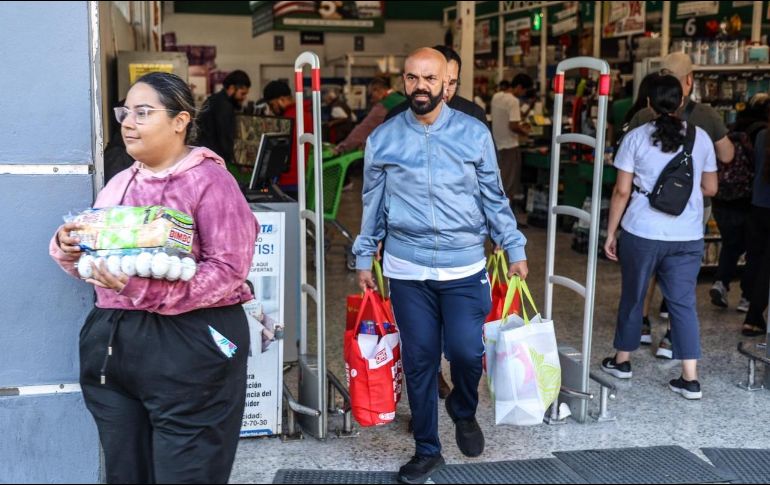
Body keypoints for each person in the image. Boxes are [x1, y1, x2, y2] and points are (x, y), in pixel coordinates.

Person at [50, 72, 258, 483]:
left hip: (189, 346)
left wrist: (140, 288)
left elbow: (229, 270)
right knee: (127, 473)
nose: (128, 122)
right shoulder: (120, 183)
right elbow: (96, 258)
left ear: (180, 121)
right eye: (125, 112)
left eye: (143, 113)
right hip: (115, 350)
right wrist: (69, 247)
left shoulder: (211, 182)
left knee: (187, 472)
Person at [353, 48, 527, 484]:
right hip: (406, 268)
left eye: (429, 79)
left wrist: (514, 244)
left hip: (464, 264)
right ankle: (428, 449)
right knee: (420, 360)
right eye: (412, 78)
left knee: (468, 353)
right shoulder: (385, 139)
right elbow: (372, 203)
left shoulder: (473, 134)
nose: (420, 87)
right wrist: (363, 253)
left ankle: (464, 410)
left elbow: (493, 196)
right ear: (404, 82)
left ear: (446, 82)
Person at [602, 74, 720, 400]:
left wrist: (612, 232)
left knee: (634, 296)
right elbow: (711, 188)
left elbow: (621, 190)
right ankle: (690, 378)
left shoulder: (636, 138)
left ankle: (622, 361)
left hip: (642, 231)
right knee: (682, 304)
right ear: (682, 101)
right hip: (688, 235)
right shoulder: (701, 138)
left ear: (649, 103)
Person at [385, 44, 488, 401]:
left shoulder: (473, 120)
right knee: (419, 346)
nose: (444, 89)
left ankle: (461, 399)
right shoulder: (396, 122)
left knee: (463, 343)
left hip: (461, 251)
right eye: (419, 78)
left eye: (450, 82)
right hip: (410, 255)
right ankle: (424, 416)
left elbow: (487, 186)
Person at [626, 52, 734, 358]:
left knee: (644, 272)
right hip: (690, 213)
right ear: (689, 80)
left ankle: (642, 327)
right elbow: (727, 156)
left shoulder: (641, 117)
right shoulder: (707, 117)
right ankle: (673, 338)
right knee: (681, 282)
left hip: (644, 217)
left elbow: (625, 177)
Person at [710, 93, 770, 312]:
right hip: (749, 199)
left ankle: (721, 282)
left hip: (724, 197)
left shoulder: (732, 128)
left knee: (731, 243)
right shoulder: (762, 133)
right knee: (756, 253)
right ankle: (748, 298)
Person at [385, 45, 487, 126]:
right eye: (432, 79)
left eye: (451, 83)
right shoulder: (395, 118)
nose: (445, 90)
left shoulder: (474, 115)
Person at [741, 118, 770, 336]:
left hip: (758, 204)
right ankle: (753, 316)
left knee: (756, 258)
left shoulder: (762, 135)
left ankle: (750, 310)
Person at [262, 80, 314, 200]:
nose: (272, 109)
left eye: (271, 105)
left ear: (281, 100)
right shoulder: (304, 113)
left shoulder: (288, 119)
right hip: (298, 178)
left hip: (287, 181)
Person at [197, 70, 251, 182]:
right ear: (231, 88)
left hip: (205, 159)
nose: (244, 98)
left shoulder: (213, 100)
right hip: (215, 162)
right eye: (242, 93)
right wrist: (239, 163)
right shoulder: (225, 106)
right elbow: (226, 138)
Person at [490, 74, 533, 209]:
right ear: (519, 87)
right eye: (524, 90)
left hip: (496, 146)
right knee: (508, 186)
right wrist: (526, 132)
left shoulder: (496, 97)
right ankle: (505, 221)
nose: (523, 94)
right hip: (510, 147)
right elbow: (513, 125)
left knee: (497, 184)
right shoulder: (513, 101)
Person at [333, 77, 406, 155]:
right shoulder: (402, 98)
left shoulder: (383, 106)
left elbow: (362, 131)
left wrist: (341, 148)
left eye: (370, 95)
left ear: (376, 90)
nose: (371, 100)